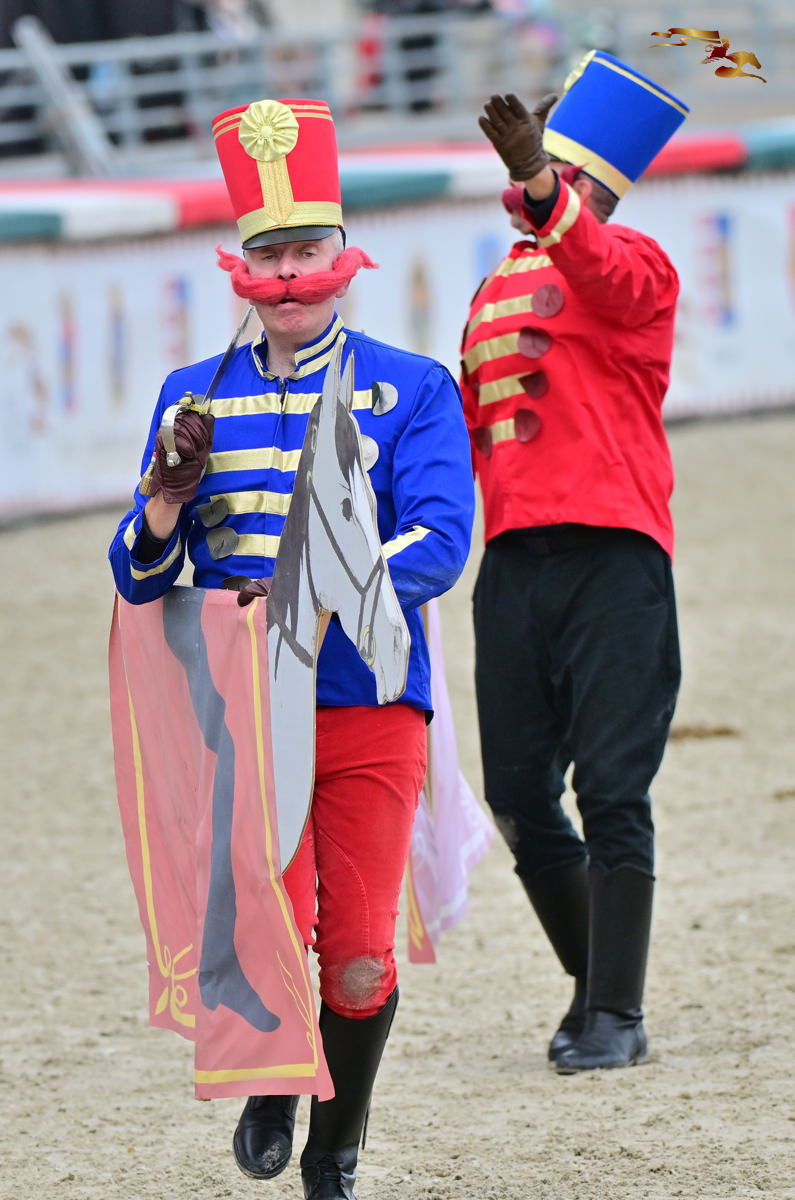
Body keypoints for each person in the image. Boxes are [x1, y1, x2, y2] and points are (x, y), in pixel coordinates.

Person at [109, 96, 474, 1198]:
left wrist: (316, 588)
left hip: (368, 700)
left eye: (306, 249)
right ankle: (274, 1079)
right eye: (267, 253)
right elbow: (136, 574)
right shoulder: (189, 396)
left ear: (343, 256)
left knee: (355, 952)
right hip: (240, 713)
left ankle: (336, 1144)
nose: (287, 273)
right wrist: (165, 504)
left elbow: (440, 542)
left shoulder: (416, 387)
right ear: (240, 265)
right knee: (265, 922)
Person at [460, 52, 687, 1072]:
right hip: (514, 558)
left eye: (553, 164)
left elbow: (595, 266)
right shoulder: (493, 286)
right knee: (515, 794)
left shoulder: (638, 264)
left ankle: (616, 1014)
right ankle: (598, 989)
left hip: (612, 553)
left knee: (611, 788)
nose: (532, 176)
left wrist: (540, 185)